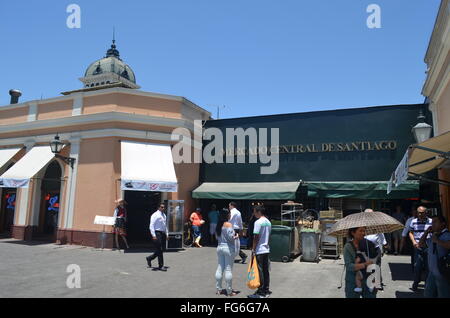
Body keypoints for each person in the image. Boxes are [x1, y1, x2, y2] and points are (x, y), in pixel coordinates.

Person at [419, 215, 450, 298]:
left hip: (442, 272)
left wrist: (437, 241)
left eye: (435, 222)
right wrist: (426, 232)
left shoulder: (446, 235)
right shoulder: (433, 235)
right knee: (428, 293)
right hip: (432, 272)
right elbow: (421, 244)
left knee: (443, 294)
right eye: (432, 222)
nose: (432, 224)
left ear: (442, 224)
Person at [343, 227, 377, 298]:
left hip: (368, 280)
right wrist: (364, 264)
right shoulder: (348, 247)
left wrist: (376, 279)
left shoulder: (369, 244)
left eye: (364, 231)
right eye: (360, 231)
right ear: (353, 233)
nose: (363, 233)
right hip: (353, 282)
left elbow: (376, 262)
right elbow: (349, 266)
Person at [248, 205, 272, 298]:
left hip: (260, 250)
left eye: (254, 212)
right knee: (266, 270)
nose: (253, 214)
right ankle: (266, 289)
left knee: (260, 271)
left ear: (258, 212)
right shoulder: (268, 222)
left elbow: (256, 237)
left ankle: (261, 292)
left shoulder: (258, 222)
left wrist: (253, 249)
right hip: (266, 249)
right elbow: (269, 236)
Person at [215, 208, 239, 297]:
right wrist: (236, 236)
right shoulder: (228, 224)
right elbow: (231, 237)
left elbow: (217, 237)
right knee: (228, 269)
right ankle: (229, 291)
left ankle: (218, 289)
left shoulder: (218, 225)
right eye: (229, 214)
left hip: (220, 247)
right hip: (228, 248)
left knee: (220, 267)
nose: (230, 215)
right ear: (226, 215)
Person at [409, 206, 432, 291]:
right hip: (418, 247)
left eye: (422, 213)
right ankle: (416, 282)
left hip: (428, 247)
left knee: (428, 266)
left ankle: (427, 284)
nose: (419, 214)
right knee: (417, 266)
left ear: (426, 213)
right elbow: (410, 233)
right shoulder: (413, 221)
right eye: (418, 212)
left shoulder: (431, 222)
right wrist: (413, 242)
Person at [364, 209, 387, 290]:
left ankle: (378, 283)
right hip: (364, 248)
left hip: (376, 248)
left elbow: (381, 234)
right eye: (369, 214)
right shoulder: (362, 223)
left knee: (376, 266)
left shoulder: (377, 223)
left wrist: (384, 244)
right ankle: (366, 282)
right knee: (366, 266)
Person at [146, 203, 168, 271]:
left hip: (162, 233)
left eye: (164, 207)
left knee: (161, 249)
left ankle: (149, 258)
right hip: (157, 233)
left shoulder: (164, 215)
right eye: (162, 207)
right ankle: (161, 266)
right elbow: (151, 225)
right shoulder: (155, 215)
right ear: (158, 207)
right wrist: (153, 235)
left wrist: (167, 234)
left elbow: (165, 225)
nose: (163, 208)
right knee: (160, 249)